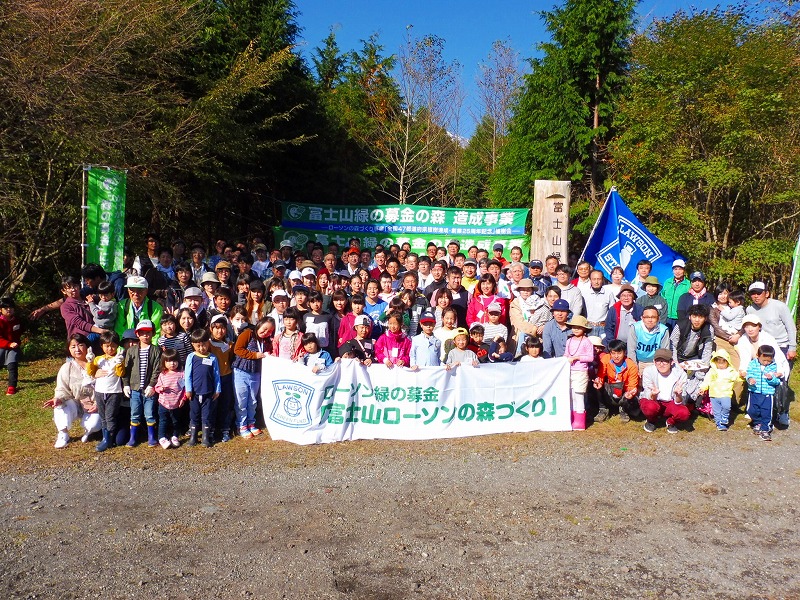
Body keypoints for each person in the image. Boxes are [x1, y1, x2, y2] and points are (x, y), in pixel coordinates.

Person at [43, 334, 102, 448]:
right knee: (59, 405)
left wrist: (98, 403)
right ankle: (63, 434)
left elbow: (106, 387)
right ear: (69, 349)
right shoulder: (67, 367)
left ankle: (88, 432)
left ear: (87, 347)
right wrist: (58, 399)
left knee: (94, 424)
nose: (77, 349)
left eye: (80, 345)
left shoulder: (97, 364)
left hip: (93, 404)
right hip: (75, 402)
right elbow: (61, 388)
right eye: (73, 346)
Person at [122, 319, 161, 447]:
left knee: (149, 413)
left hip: (149, 389)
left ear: (153, 333)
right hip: (134, 388)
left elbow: (157, 369)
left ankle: (151, 437)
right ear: (137, 334)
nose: (145, 335)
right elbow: (126, 369)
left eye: (148, 332)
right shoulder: (131, 351)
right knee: (135, 413)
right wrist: (126, 384)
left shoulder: (156, 350)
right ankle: (133, 438)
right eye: (142, 333)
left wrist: (152, 385)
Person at [233, 316, 273, 439]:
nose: (265, 332)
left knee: (253, 400)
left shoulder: (266, 342)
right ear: (259, 325)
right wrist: (254, 355)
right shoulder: (248, 334)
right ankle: (241, 425)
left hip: (256, 373)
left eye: (269, 331)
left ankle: (251, 423)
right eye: (265, 329)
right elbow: (237, 349)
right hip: (241, 371)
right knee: (241, 400)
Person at [87, 331, 126, 452]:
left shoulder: (118, 358)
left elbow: (121, 373)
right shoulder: (99, 359)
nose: (110, 348)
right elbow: (91, 373)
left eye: (113, 345)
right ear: (102, 346)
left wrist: (119, 363)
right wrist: (90, 361)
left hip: (114, 391)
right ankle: (105, 438)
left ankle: (110, 438)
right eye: (107, 346)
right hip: (99, 391)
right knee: (103, 416)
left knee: (110, 416)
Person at [184, 329, 221, 447]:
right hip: (194, 393)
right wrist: (188, 390)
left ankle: (206, 437)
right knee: (194, 414)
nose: (201, 348)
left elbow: (216, 375)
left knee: (207, 415)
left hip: (208, 392)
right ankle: (193, 437)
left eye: (204, 344)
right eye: (198, 345)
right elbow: (187, 374)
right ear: (193, 345)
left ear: (208, 343)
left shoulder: (212, 358)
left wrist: (217, 389)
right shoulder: (191, 357)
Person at [670, 304, 713, 405]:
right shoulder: (680, 325)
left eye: (700, 317)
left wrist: (704, 367)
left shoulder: (708, 329)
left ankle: (693, 401)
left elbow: (707, 349)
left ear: (705, 318)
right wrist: (676, 364)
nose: (697, 320)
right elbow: (672, 346)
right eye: (694, 316)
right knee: (678, 377)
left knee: (700, 377)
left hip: (695, 357)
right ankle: (677, 400)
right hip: (679, 356)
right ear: (690, 317)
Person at [640, 348, 689, 433]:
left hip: (670, 402)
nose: (661, 364)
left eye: (665, 361)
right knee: (650, 407)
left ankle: (671, 422)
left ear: (671, 362)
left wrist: (678, 395)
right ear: (654, 362)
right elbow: (647, 395)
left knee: (684, 413)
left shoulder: (681, 374)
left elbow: (679, 402)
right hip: (653, 401)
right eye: (658, 361)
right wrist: (654, 394)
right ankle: (651, 420)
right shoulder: (648, 371)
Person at [746, 281, 796, 363]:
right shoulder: (750, 309)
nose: (756, 296)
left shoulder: (780, 306)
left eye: (758, 293)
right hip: (762, 348)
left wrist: (792, 348)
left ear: (766, 294)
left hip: (782, 346)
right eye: (753, 293)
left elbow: (790, 327)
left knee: (782, 374)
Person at [593, 339, 639, 423]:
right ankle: (603, 409)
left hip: (624, 391)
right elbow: (601, 375)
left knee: (632, 396)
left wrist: (630, 393)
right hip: (609, 389)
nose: (616, 356)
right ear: (610, 353)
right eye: (613, 353)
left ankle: (624, 409)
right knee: (597, 385)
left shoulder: (631, 365)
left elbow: (632, 384)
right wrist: (599, 382)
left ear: (624, 353)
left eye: (619, 353)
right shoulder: (605, 359)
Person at [745, 345, 784, 441]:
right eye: (764, 360)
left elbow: (776, 381)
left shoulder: (773, 366)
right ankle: (758, 422)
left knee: (766, 411)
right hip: (754, 391)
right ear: (758, 355)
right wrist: (750, 379)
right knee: (752, 410)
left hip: (767, 393)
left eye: (768, 361)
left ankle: (765, 429)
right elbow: (748, 374)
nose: (766, 363)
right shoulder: (752, 364)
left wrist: (771, 379)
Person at [563, 315, 594, 430]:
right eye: (574, 327)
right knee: (570, 395)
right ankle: (571, 417)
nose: (575, 329)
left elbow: (590, 357)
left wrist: (576, 357)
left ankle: (580, 420)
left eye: (578, 327)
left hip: (580, 371)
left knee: (579, 395)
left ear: (584, 329)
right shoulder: (569, 340)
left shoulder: (587, 341)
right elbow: (566, 354)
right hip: (569, 371)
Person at [699, 349, 741, 432]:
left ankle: (724, 418)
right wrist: (703, 388)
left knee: (727, 406)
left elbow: (737, 377)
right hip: (714, 394)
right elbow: (707, 380)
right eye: (719, 363)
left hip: (725, 394)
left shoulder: (731, 371)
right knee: (716, 411)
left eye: (723, 363)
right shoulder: (712, 371)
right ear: (715, 362)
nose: (721, 365)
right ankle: (719, 423)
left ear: (728, 362)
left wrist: (742, 376)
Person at [209, 314, 235, 443]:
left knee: (226, 404)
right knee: (213, 405)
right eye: (217, 328)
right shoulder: (207, 344)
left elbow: (230, 360)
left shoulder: (230, 344)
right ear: (211, 328)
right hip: (213, 379)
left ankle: (225, 429)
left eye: (223, 328)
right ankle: (212, 430)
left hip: (226, 377)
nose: (220, 331)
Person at [154, 348, 185, 449]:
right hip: (163, 403)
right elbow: (157, 387)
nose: (172, 364)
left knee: (176, 421)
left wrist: (183, 399)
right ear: (164, 362)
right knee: (163, 421)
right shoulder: (163, 374)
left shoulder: (181, 373)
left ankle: (175, 436)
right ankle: (162, 437)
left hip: (176, 403)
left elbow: (185, 388)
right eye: (169, 361)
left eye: (174, 361)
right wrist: (161, 389)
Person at [627, 306, 670, 376]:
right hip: (639, 362)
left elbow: (664, 351)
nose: (650, 320)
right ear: (642, 318)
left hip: (656, 362)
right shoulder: (635, 328)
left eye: (653, 317)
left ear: (658, 318)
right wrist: (634, 368)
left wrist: (661, 367)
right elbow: (631, 350)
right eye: (647, 317)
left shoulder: (663, 330)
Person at [509, 278, 544, 356]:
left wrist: (543, 326)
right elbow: (519, 322)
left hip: (537, 337)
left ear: (532, 290)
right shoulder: (515, 303)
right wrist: (535, 329)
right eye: (523, 289)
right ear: (519, 291)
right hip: (520, 335)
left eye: (528, 289)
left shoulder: (539, 302)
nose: (525, 292)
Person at [581, 270, 615, 339]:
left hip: (603, 327)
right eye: (594, 279)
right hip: (588, 327)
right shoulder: (584, 294)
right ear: (590, 280)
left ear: (602, 280)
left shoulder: (608, 293)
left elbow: (612, 311)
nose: (596, 282)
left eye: (598, 279)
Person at [0, 297, 22, 395]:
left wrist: (16, 344)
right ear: (0, 310)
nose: (9, 309)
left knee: (12, 365)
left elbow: (18, 334)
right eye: (5, 308)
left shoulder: (17, 321)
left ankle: (12, 386)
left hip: (13, 348)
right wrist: (9, 344)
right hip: (2, 347)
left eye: (11, 307)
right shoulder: (0, 322)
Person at [662, 259, 690, 330]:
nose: (677, 271)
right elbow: (662, 297)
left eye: (680, 269)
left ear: (684, 270)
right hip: (666, 316)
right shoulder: (667, 282)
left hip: (680, 317)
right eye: (675, 269)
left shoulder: (688, 284)